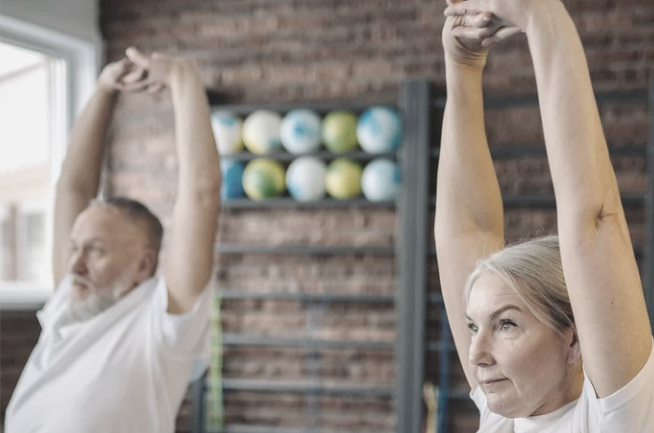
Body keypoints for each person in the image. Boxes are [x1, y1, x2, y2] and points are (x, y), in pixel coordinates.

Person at [435, 0, 654, 432]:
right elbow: (466, 231)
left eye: (507, 325)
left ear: (573, 339)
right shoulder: (506, 414)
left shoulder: (617, 420)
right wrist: (462, 65)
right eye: (473, 325)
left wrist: (541, 15)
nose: (476, 354)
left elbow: (593, 218)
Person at [4, 47, 221, 433]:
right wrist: (104, 89)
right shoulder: (66, 308)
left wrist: (182, 78)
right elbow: (72, 186)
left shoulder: (161, 325)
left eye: (96, 251)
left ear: (143, 265)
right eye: (75, 247)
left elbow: (201, 194)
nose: (74, 265)